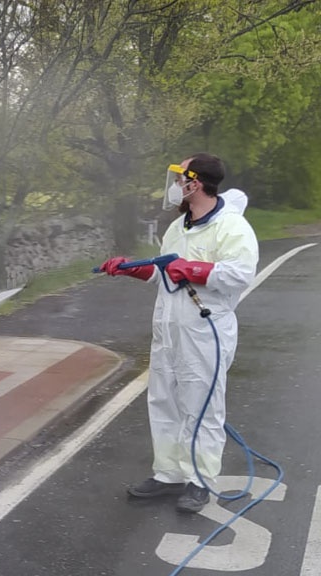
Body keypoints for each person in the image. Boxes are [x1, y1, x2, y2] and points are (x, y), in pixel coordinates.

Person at [100, 153, 259, 513]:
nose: (174, 187)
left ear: (195, 182)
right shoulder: (177, 228)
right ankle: (168, 473)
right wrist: (133, 270)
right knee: (163, 400)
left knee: (202, 406)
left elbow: (239, 273)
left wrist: (193, 269)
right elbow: (164, 274)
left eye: (178, 179)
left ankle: (199, 481)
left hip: (205, 332)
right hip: (169, 330)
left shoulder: (231, 227)